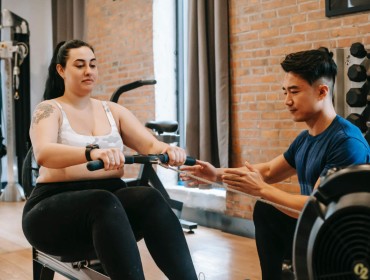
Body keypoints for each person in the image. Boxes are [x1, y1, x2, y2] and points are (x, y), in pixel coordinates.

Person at [180, 47, 370, 280]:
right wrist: (216, 174)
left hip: (342, 247)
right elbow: (269, 170)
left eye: (294, 92)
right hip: (315, 231)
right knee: (267, 209)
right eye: (284, 92)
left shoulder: (346, 142)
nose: (287, 101)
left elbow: (317, 206)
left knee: (266, 201)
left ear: (322, 92)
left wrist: (261, 189)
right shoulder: (305, 139)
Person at [22, 39, 198, 280]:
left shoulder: (112, 111)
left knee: (148, 197)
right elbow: (43, 153)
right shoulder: (49, 109)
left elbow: (149, 144)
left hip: (110, 208)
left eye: (93, 65)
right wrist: (91, 152)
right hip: (52, 210)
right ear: (61, 70)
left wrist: (169, 150)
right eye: (79, 65)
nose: (88, 71)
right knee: (102, 202)